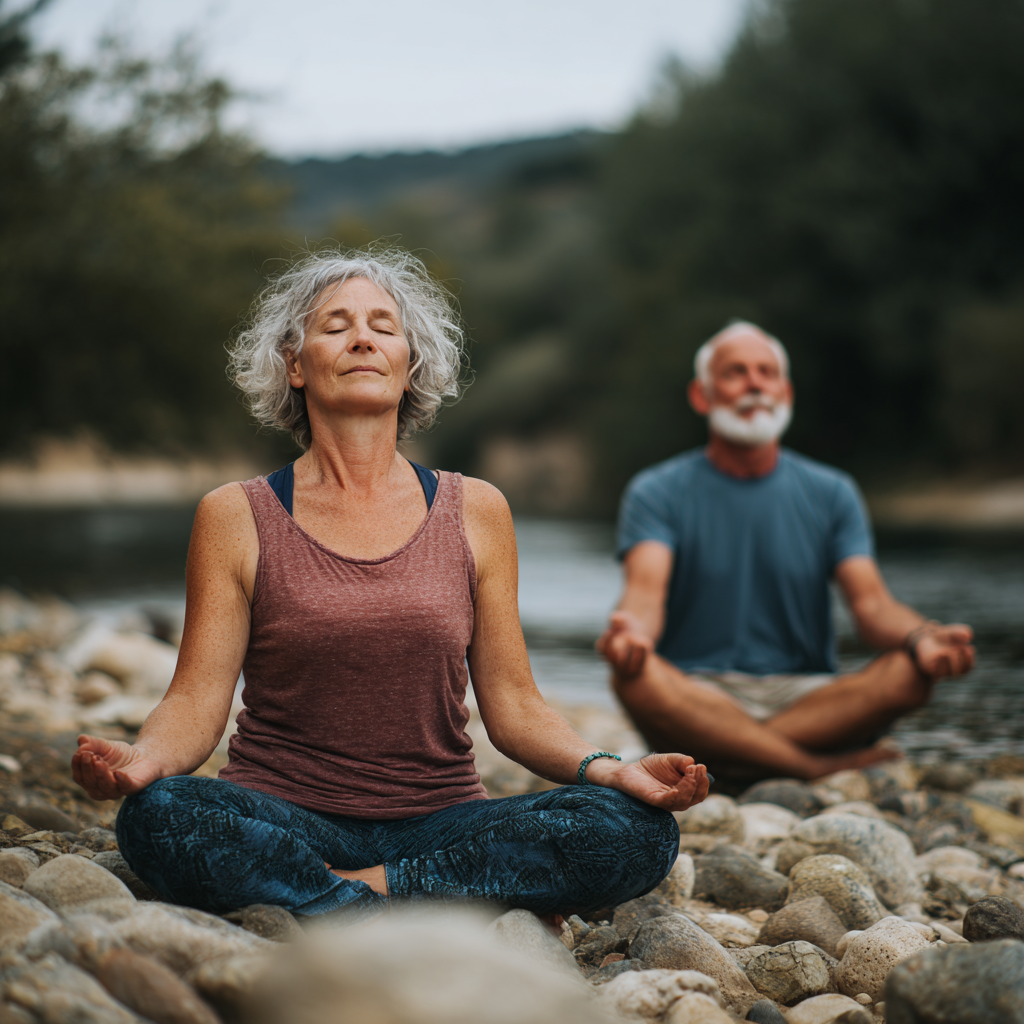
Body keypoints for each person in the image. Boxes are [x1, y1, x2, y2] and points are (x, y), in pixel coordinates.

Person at [72, 247, 710, 920]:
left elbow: (516, 706)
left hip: (441, 818)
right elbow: (197, 702)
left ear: (411, 365)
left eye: (383, 324)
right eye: (335, 324)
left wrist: (613, 769)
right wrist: (141, 762)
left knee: (637, 829)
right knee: (160, 815)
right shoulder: (235, 514)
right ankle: (423, 893)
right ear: (294, 364)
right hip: (284, 811)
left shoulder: (478, 509)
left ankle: (343, 893)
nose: (362, 337)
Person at [597, 321, 975, 783]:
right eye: (736, 372)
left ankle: (728, 754)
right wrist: (631, 635)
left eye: (766, 372)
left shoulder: (833, 492)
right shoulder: (656, 491)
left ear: (787, 393)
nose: (754, 383)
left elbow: (873, 606)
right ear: (702, 395)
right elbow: (645, 594)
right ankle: (810, 766)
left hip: (808, 696)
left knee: (913, 673)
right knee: (634, 677)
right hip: (698, 691)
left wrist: (923, 637)